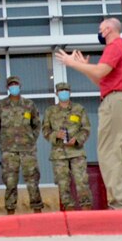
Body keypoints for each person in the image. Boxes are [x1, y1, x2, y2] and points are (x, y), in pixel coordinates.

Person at [56, 17, 122, 210]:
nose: (99, 33)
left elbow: (100, 71)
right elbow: (103, 81)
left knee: (109, 152)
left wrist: (71, 63)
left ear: (108, 29)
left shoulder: (114, 47)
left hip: (116, 103)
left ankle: (118, 204)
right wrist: (85, 68)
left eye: (100, 29)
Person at [0, 74, 44, 215]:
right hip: (9, 150)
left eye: (16, 85)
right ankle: (10, 210)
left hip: (28, 149)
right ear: (8, 87)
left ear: (20, 86)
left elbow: (36, 124)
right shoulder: (0, 106)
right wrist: (4, 141)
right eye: (11, 85)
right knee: (10, 181)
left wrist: (31, 139)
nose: (14, 87)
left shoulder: (29, 105)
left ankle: (37, 209)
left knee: (32, 180)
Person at [42, 82, 91, 211]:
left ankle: (86, 211)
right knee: (63, 185)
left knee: (82, 182)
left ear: (70, 92)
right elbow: (45, 131)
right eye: (61, 91)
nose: (64, 93)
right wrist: (55, 135)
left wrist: (77, 139)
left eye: (66, 90)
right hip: (59, 154)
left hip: (77, 152)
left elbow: (86, 129)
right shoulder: (50, 111)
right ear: (56, 93)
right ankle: (69, 213)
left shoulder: (79, 109)